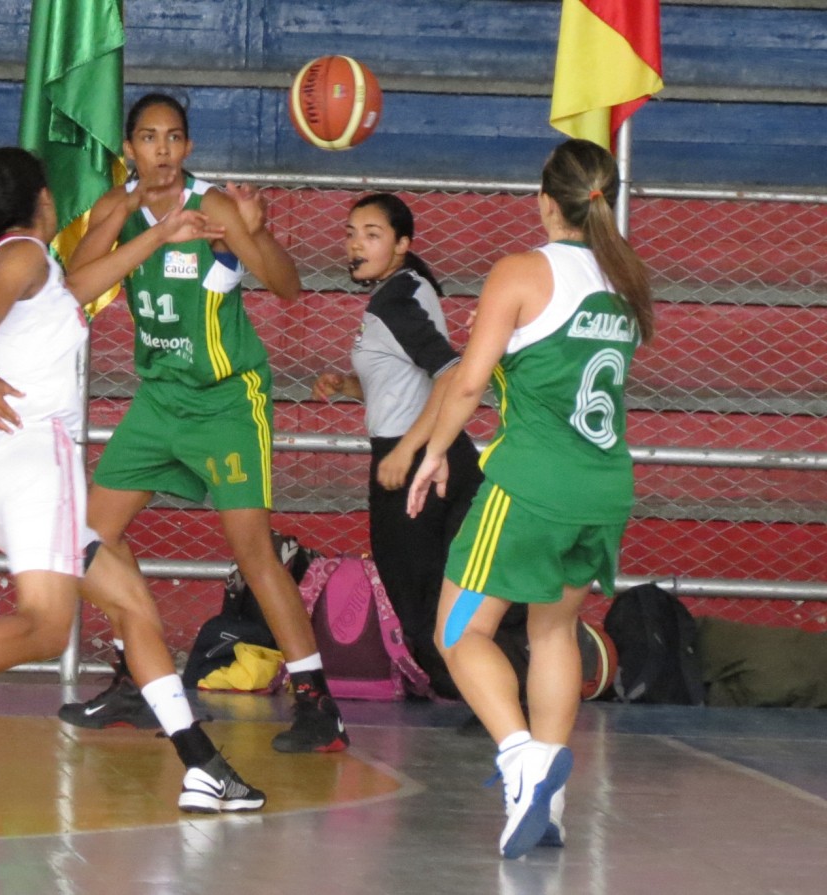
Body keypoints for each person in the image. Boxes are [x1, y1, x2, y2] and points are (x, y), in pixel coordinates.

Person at [0, 146, 265, 813]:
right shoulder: (21, 254)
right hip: (31, 458)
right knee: (46, 627)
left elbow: (75, 289)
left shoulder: (7, 267)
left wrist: (159, 231)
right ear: (41, 200)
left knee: (131, 602)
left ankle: (203, 766)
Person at [59, 92, 348, 753]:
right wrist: (127, 209)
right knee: (90, 534)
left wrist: (258, 232)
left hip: (225, 400)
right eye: (148, 138)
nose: (162, 149)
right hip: (161, 398)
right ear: (129, 148)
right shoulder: (117, 208)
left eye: (174, 137)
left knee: (252, 551)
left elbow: (287, 285)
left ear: (187, 149)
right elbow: (74, 286)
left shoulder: (212, 206)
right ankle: (139, 677)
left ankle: (317, 704)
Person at [407, 138, 654, 859]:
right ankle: (550, 804)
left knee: (458, 630)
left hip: (533, 485)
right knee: (553, 632)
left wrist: (431, 455)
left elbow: (469, 380)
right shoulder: (627, 279)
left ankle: (522, 761)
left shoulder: (522, 271)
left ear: (546, 200)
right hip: (604, 486)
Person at [311, 193, 483, 700]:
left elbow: (453, 376)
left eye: (372, 234)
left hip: (420, 466)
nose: (355, 244)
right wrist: (348, 385)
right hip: (443, 455)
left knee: (418, 605)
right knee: (442, 596)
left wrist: (407, 452)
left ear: (403, 245)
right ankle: (485, 694)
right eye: (350, 232)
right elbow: (411, 382)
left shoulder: (396, 299)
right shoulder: (409, 288)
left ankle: (482, 695)